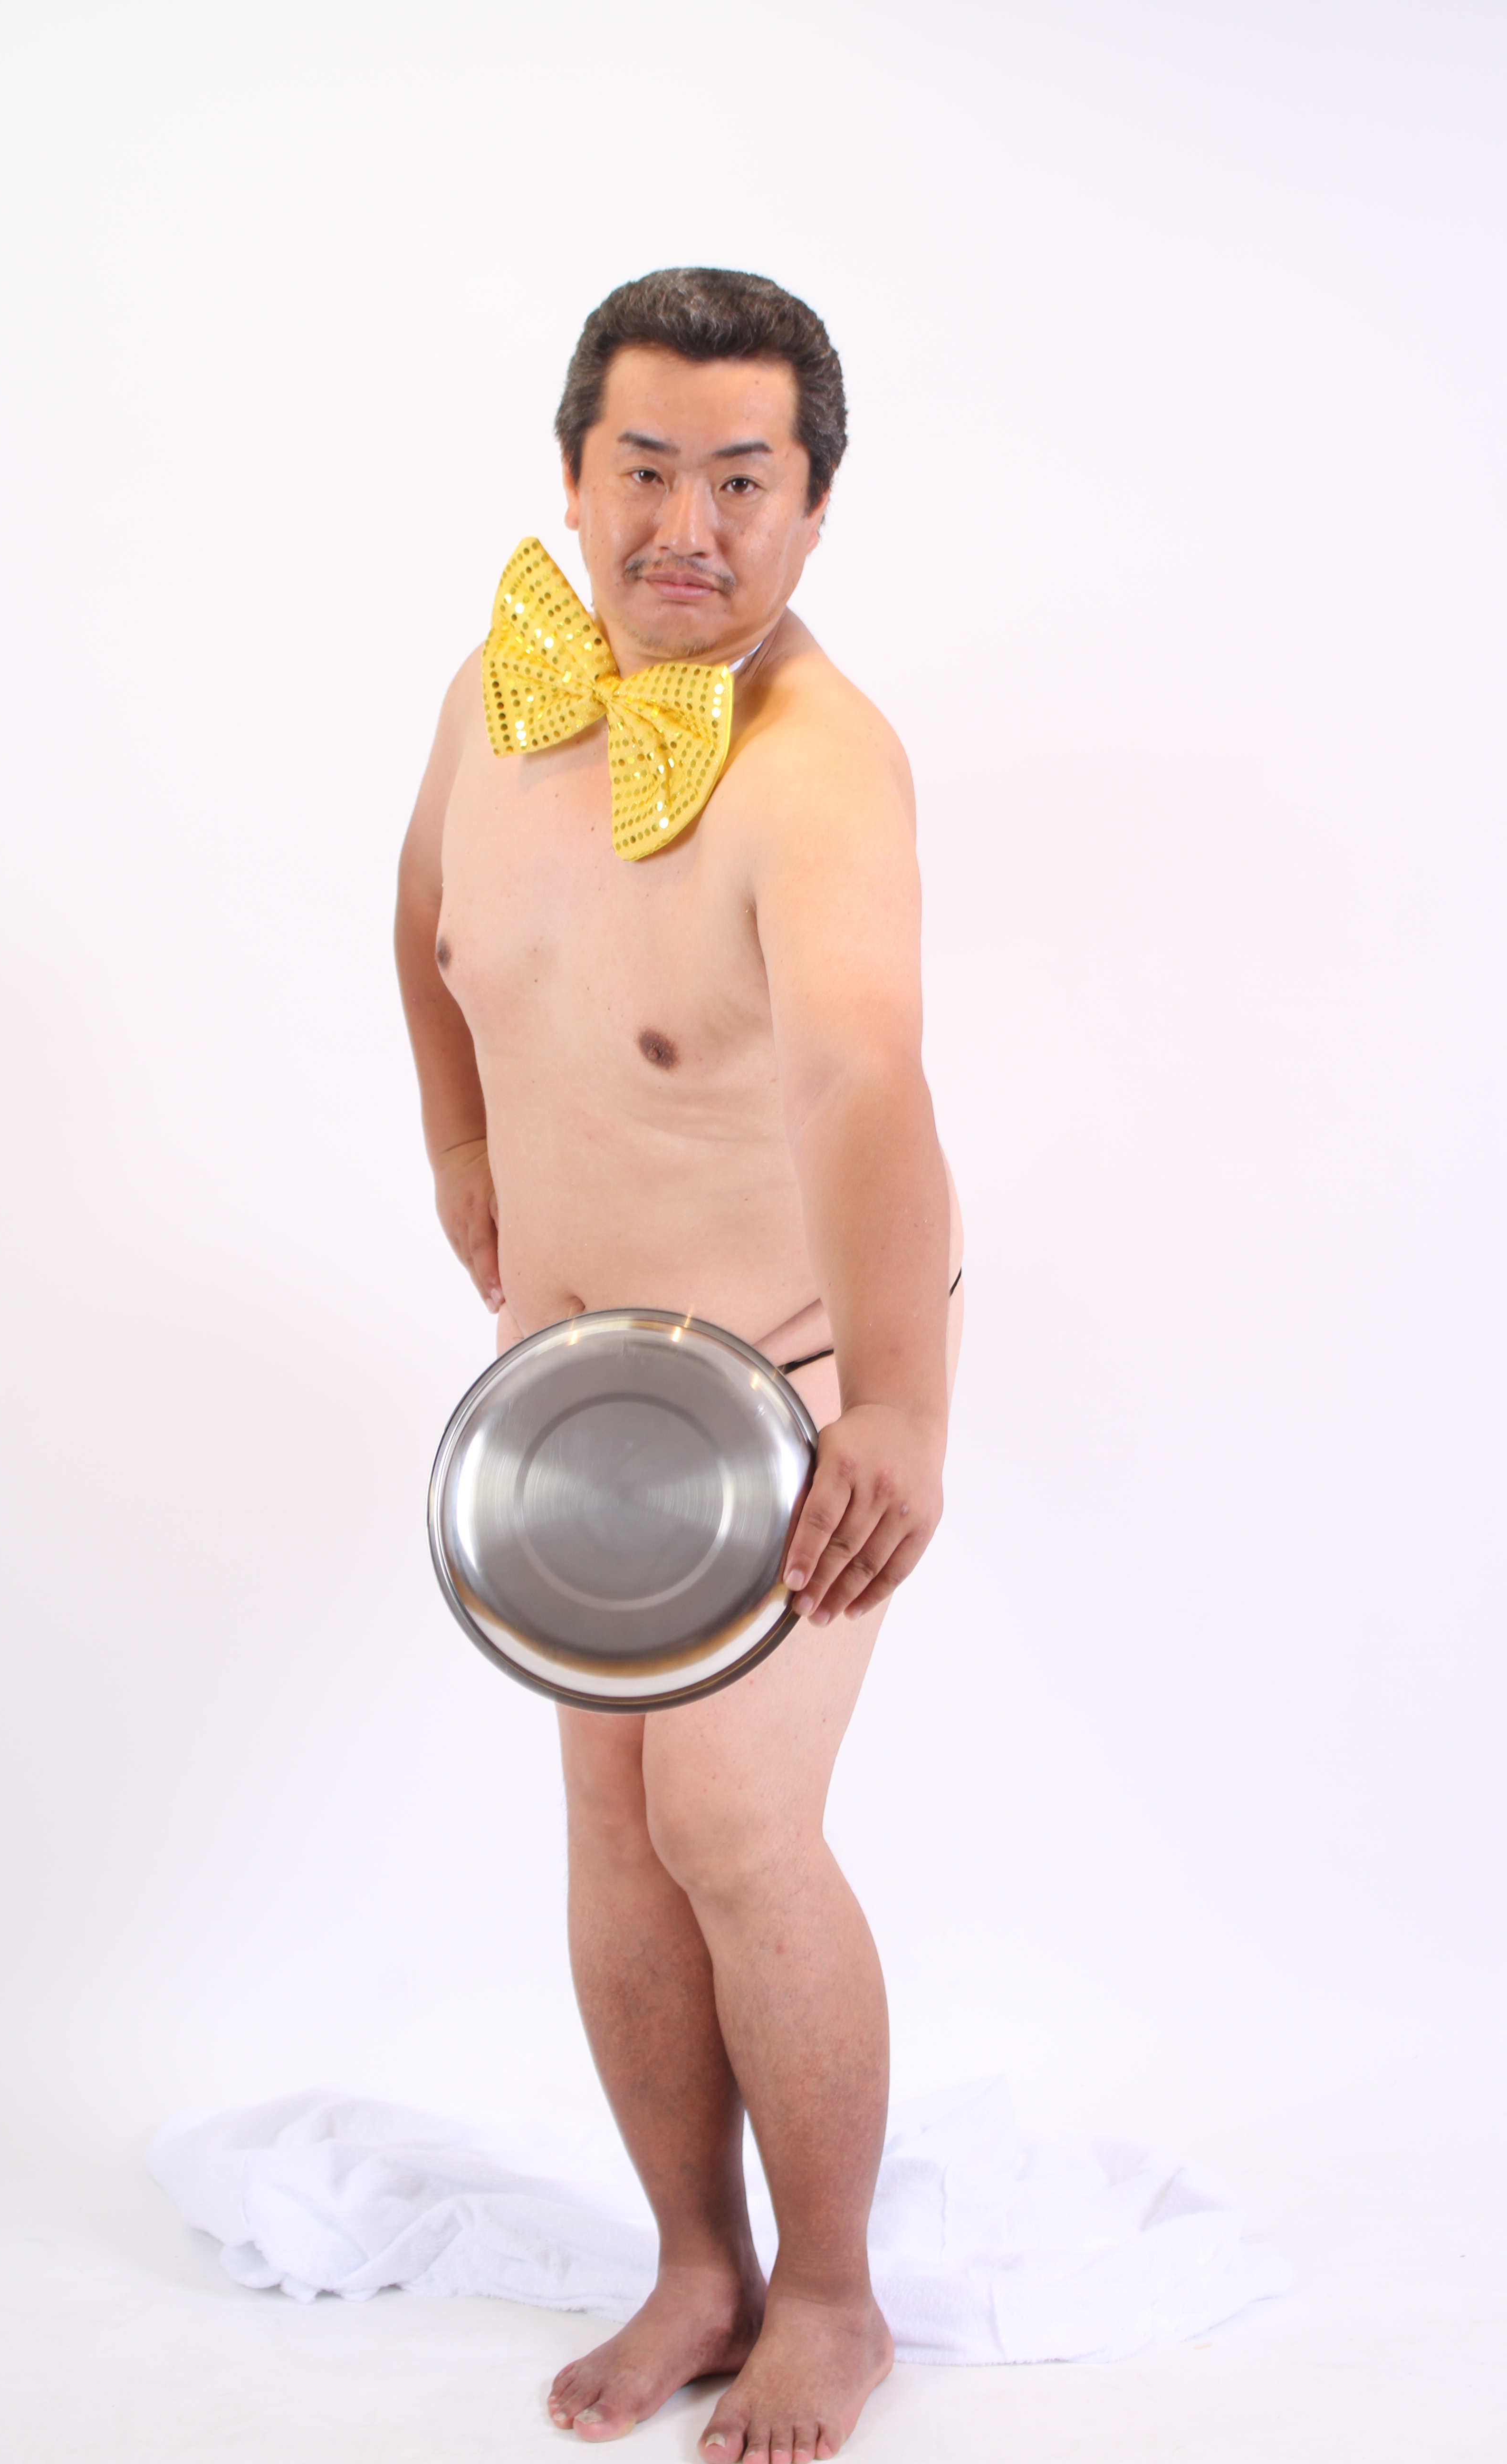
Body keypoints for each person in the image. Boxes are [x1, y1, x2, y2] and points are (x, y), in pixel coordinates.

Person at [395, 268, 963, 2464]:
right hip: (570, 1393)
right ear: (575, 476)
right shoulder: (496, 692)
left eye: (744, 481)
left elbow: (861, 1086)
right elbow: (424, 929)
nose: (689, 528)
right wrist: (463, 1149)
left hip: (799, 1365)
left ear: (814, 511)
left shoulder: (824, 772)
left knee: (730, 1817)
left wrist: (896, 1406)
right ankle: (696, 2262)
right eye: (647, 471)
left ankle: (831, 2295)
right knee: (617, 1834)